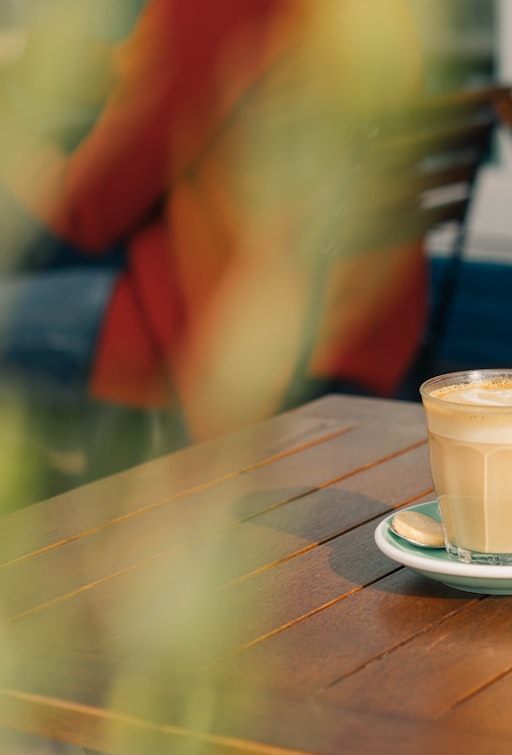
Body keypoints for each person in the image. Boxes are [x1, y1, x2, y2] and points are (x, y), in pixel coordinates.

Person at [0, 0, 429, 475]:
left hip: (220, 330)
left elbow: (91, 212)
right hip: (362, 317)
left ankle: (59, 505)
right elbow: (208, 72)